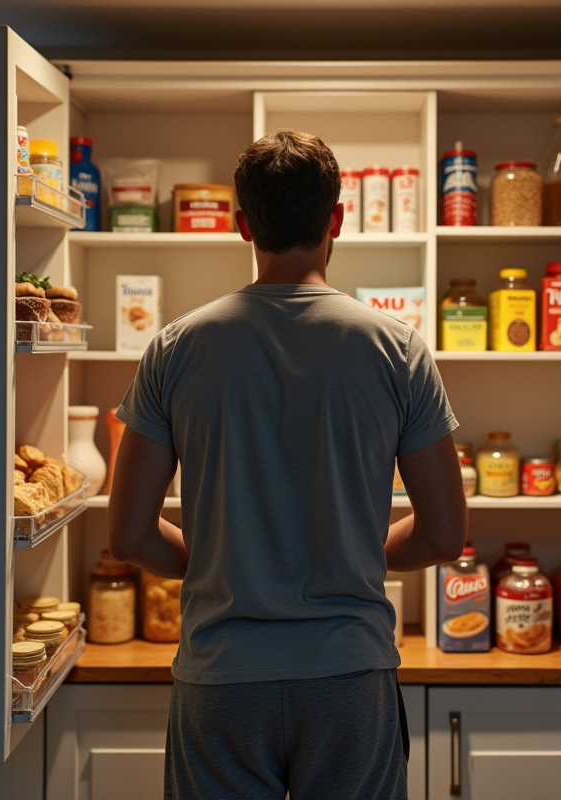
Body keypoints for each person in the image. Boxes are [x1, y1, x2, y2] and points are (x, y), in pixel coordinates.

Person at [107, 128, 467, 800]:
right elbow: (445, 536)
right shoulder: (399, 350)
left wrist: (224, 560)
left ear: (243, 224)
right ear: (338, 219)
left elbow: (127, 536)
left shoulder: (175, 349)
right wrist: (353, 553)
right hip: (349, 677)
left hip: (221, 680)